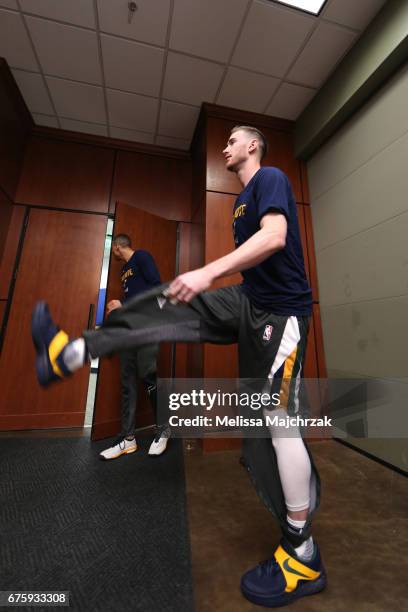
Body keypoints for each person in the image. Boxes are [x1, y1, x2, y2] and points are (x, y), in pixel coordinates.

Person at [31, 125, 326, 607]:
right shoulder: (239, 203)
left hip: (281, 314)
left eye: (233, 140)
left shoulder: (269, 178)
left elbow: (276, 238)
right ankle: (72, 352)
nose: (226, 146)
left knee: (276, 419)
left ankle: (302, 552)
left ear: (253, 146)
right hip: (249, 302)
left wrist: (209, 270)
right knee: (170, 301)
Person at [99, 234, 170, 459]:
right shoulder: (124, 272)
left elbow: (157, 289)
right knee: (127, 380)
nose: (113, 253)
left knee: (148, 376)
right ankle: (128, 439)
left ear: (119, 246)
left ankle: (163, 429)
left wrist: (124, 303)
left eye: (113, 249)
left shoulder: (142, 256)